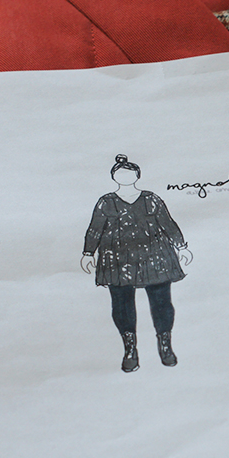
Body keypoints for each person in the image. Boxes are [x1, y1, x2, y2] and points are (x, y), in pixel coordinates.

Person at [82, 154, 193, 370]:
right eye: (121, 173)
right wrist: (88, 252)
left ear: (137, 175)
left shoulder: (151, 199)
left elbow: (167, 223)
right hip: (116, 258)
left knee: (161, 302)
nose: (125, 177)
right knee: (121, 305)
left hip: (155, 256)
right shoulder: (106, 202)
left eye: (130, 173)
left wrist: (182, 246)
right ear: (114, 176)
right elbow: (95, 228)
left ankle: (165, 345)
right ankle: (130, 349)